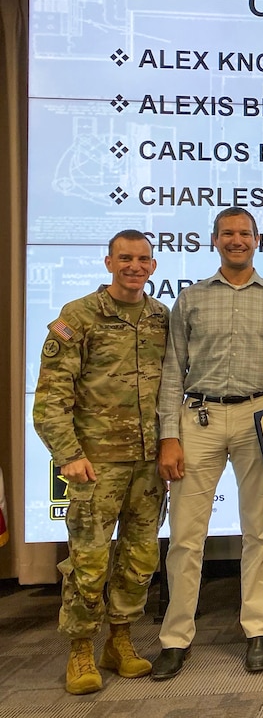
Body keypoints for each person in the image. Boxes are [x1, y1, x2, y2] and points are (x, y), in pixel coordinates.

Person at [151, 207, 263, 679]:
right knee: (185, 535)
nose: (236, 240)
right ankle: (175, 638)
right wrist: (169, 436)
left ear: (257, 240)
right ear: (214, 240)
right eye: (228, 234)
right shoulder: (191, 299)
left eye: (244, 233)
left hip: (258, 417)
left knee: (258, 530)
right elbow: (172, 371)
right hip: (196, 417)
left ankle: (257, 628)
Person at [33, 230, 168, 695]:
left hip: (148, 465)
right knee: (89, 563)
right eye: (125, 258)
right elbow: (50, 397)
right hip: (96, 466)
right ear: (109, 262)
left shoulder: (159, 318)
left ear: (153, 266)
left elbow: (169, 391)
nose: (134, 266)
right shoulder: (79, 316)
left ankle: (121, 643)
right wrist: (67, 454)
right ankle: (80, 652)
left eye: (142, 259)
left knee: (140, 558)